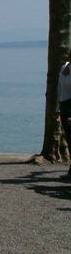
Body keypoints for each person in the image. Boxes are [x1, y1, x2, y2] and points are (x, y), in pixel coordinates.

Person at [56, 48, 71, 178]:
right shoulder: (64, 66)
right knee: (68, 137)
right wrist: (58, 109)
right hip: (64, 104)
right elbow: (59, 89)